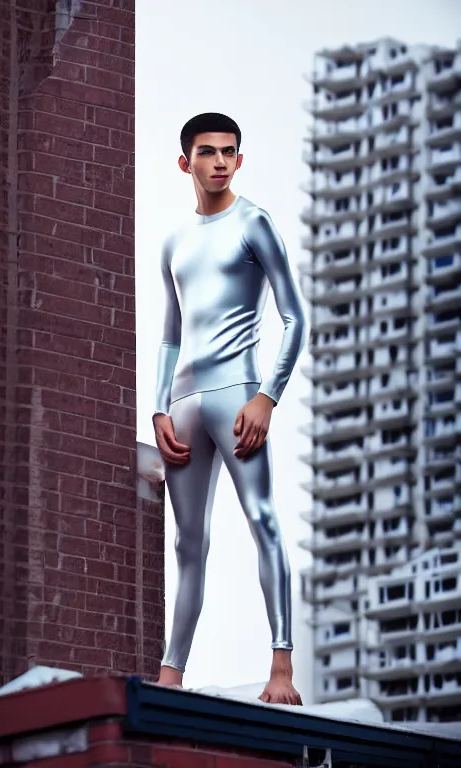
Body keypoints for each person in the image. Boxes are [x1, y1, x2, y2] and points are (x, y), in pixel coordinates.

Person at [152, 112, 307, 705]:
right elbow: (170, 335)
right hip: (184, 406)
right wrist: (159, 409)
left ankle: (282, 669)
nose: (219, 161)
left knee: (262, 520)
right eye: (207, 151)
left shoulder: (255, 223)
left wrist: (268, 397)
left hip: (240, 397)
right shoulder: (175, 241)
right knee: (188, 543)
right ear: (185, 161)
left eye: (229, 152)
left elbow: (295, 317)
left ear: (239, 160)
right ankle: (170, 676)